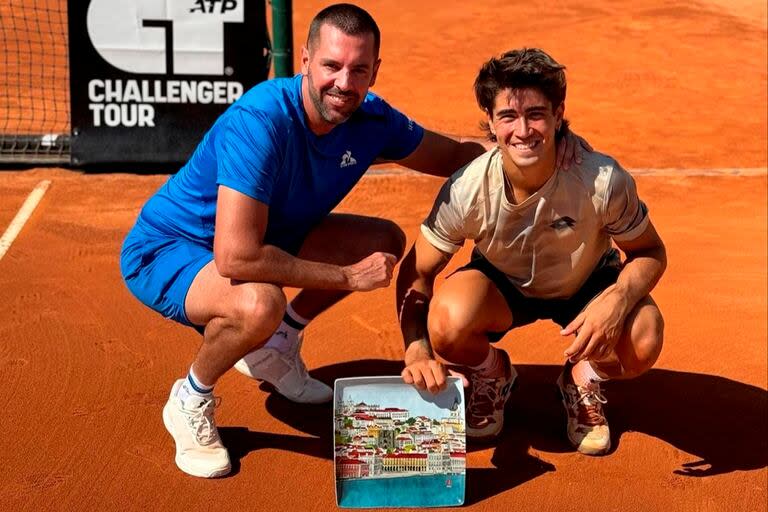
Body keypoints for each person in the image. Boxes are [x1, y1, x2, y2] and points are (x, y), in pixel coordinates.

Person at [121, 5, 587, 478]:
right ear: (304, 59)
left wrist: (537, 145)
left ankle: (276, 344)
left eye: (358, 69)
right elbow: (236, 256)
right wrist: (345, 277)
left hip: (268, 235)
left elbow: (456, 155)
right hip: (171, 249)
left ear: (374, 71)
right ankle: (191, 397)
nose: (344, 83)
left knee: (380, 240)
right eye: (331, 66)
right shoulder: (260, 122)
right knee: (258, 302)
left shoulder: (371, 119)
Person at [396, 47, 666, 456]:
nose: (523, 130)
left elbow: (651, 251)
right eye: (507, 116)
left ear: (558, 114)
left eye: (536, 114)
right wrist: (416, 348)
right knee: (447, 322)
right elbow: (416, 272)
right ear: (490, 121)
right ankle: (494, 373)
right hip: (503, 284)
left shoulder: (601, 178)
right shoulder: (467, 189)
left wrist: (619, 299)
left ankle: (584, 376)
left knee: (644, 336)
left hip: (588, 281)